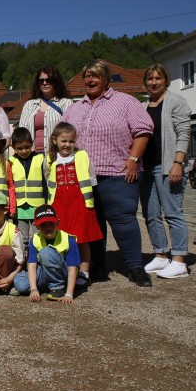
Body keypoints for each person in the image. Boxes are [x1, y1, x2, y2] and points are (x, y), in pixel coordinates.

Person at [61, 59, 154, 287]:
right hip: (83, 177)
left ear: (106, 79)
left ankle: (135, 267)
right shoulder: (75, 108)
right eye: (87, 76)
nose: (90, 80)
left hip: (117, 173)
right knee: (92, 224)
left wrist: (133, 159)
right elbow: (62, 136)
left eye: (95, 76)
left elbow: (143, 131)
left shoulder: (125, 102)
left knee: (123, 221)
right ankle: (98, 267)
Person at [139, 64, 192, 279]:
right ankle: (160, 255)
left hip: (168, 165)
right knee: (151, 215)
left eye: (158, 78)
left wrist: (178, 162)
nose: (153, 82)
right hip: (147, 167)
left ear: (165, 80)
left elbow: (184, 133)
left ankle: (179, 260)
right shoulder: (143, 106)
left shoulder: (176, 101)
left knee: (173, 213)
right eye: (150, 78)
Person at [45, 122, 102, 288]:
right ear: (55, 140)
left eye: (71, 141)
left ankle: (84, 272)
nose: (67, 145)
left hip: (79, 201)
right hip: (59, 202)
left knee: (82, 239)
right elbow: (47, 177)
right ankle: (63, 270)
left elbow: (91, 178)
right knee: (61, 238)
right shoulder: (49, 159)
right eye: (64, 141)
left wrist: (89, 200)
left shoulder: (82, 156)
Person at [11, 204, 80, 303]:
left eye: (51, 224)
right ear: (36, 226)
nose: (48, 228)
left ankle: (57, 287)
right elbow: (32, 266)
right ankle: (47, 285)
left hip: (64, 273)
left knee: (46, 252)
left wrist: (69, 294)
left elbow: (72, 269)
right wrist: (34, 289)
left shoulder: (68, 240)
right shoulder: (35, 239)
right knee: (20, 283)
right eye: (43, 225)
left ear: (58, 222)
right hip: (45, 270)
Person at [18, 66, 74, 153]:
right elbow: (22, 131)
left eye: (48, 80)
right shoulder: (29, 105)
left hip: (57, 155)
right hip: (33, 155)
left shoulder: (66, 103)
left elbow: (70, 131)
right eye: (41, 80)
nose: (44, 83)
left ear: (56, 81)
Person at [9, 127, 46, 252]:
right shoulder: (11, 161)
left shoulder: (41, 159)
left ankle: (40, 260)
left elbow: (46, 183)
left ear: (32, 144)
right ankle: (23, 264)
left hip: (38, 207)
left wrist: (47, 203)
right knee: (22, 238)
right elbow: (10, 185)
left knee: (39, 236)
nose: (24, 151)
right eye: (19, 148)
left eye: (27, 147)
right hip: (20, 208)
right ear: (13, 147)